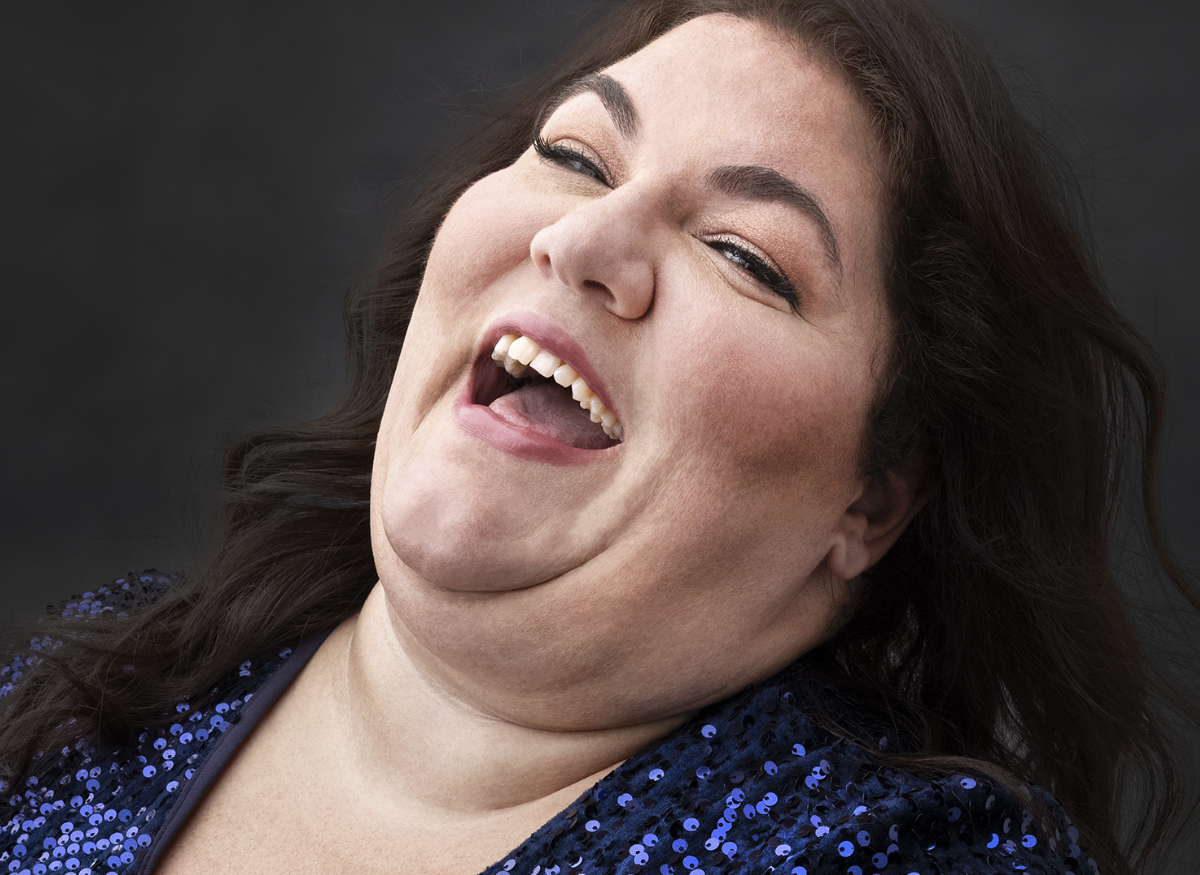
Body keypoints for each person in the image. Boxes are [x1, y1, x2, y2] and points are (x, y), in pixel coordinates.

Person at [1, 1, 1196, 873]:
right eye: (574, 157)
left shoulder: (915, 860)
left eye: (745, 256)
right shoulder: (90, 689)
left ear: (871, 500)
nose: (581, 242)